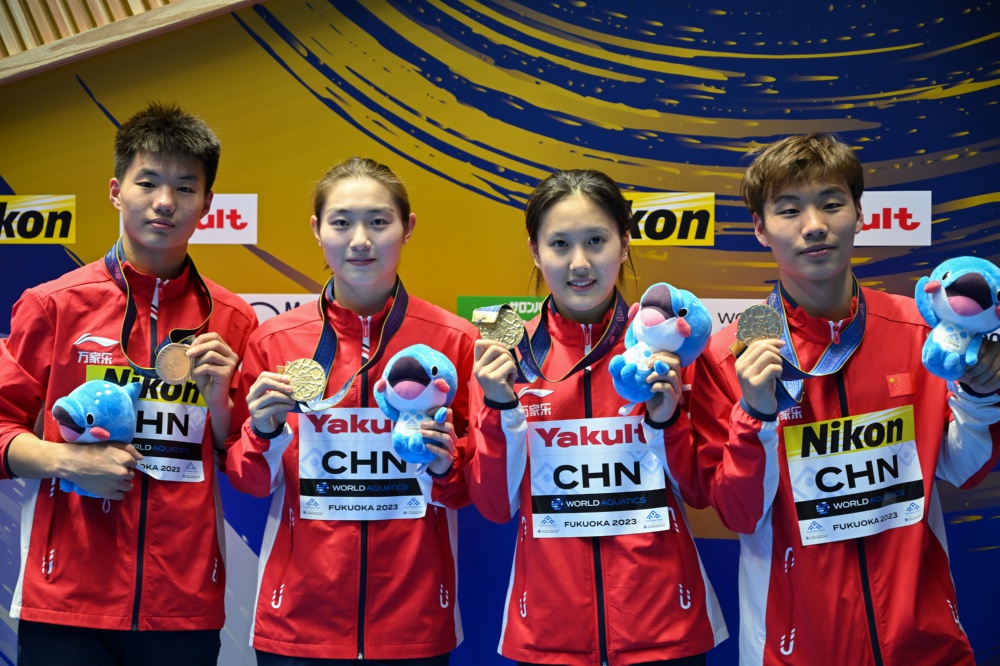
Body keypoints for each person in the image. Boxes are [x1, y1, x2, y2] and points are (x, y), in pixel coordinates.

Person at [687, 133, 1000, 665]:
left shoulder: (920, 332)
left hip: (925, 647)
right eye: (789, 210)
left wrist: (979, 396)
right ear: (760, 228)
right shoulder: (727, 355)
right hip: (792, 650)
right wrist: (756, 415)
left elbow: (963, 469)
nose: (814, 225)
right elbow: (739, 512)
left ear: (859, 213)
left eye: (831, 204)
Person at [0, 102, 258, 664]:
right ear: (116, 191)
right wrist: (66, 460)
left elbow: (244, 456)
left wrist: (221, 403)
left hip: (182, 602)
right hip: (66, 601)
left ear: (207, 204)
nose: (166, 201)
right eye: (148, 182)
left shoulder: (234, 319)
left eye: (185, 188)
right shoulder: (53, 305)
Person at [467, 169, 728, 666]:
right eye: (560, 244)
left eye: (596, 240)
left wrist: (667, 423)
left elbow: (700, 493)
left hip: (665, 628)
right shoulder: (506, 358)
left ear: (624, 244)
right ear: (535, 252)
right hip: (549, 635)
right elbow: (496, 505)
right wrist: (500, 409)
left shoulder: (672, 349)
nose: (580, 263)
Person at [225, 157, 476, 664]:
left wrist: (446, 463)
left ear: (408, 227)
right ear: (317, 230)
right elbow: (249, 482)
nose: (360, 240)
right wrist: (263, 431)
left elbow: (470, 489)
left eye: (379, 221)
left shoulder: (455, 341)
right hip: (297, 621)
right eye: (341, 222)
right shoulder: (274, 341)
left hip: (413, 622)